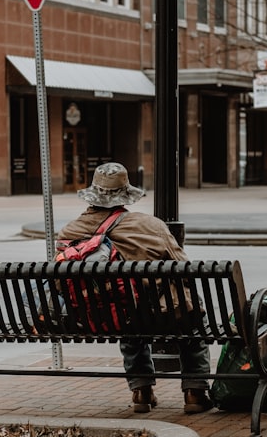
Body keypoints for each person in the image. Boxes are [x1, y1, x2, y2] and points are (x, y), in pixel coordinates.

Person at [57, 162, 215, 415]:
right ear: (125, 195)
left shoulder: (70, 231)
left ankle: (141, 390)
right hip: (158, 315)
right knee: (190, 321)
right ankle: (195, 392)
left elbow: (59, 279)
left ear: (93, 195)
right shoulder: (151, 226)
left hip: (103, 316)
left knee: (127, 317)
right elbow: (184, 268)